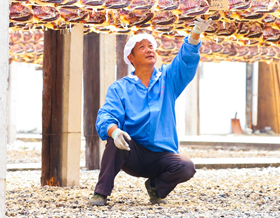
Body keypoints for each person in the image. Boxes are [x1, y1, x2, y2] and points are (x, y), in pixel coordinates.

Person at [89, 17, 210, 206]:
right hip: (131, 152)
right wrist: (114, 131)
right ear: (131, 58)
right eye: (142, 47)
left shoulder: (168, 79)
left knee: (186, 166)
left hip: (162, 155)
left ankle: (155, 187)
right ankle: (101, 193)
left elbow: (185, 61)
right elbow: (106, 114)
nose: (149, 50)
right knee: (114, 141)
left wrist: (195, 34)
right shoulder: (120, 88)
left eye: (151, 46)